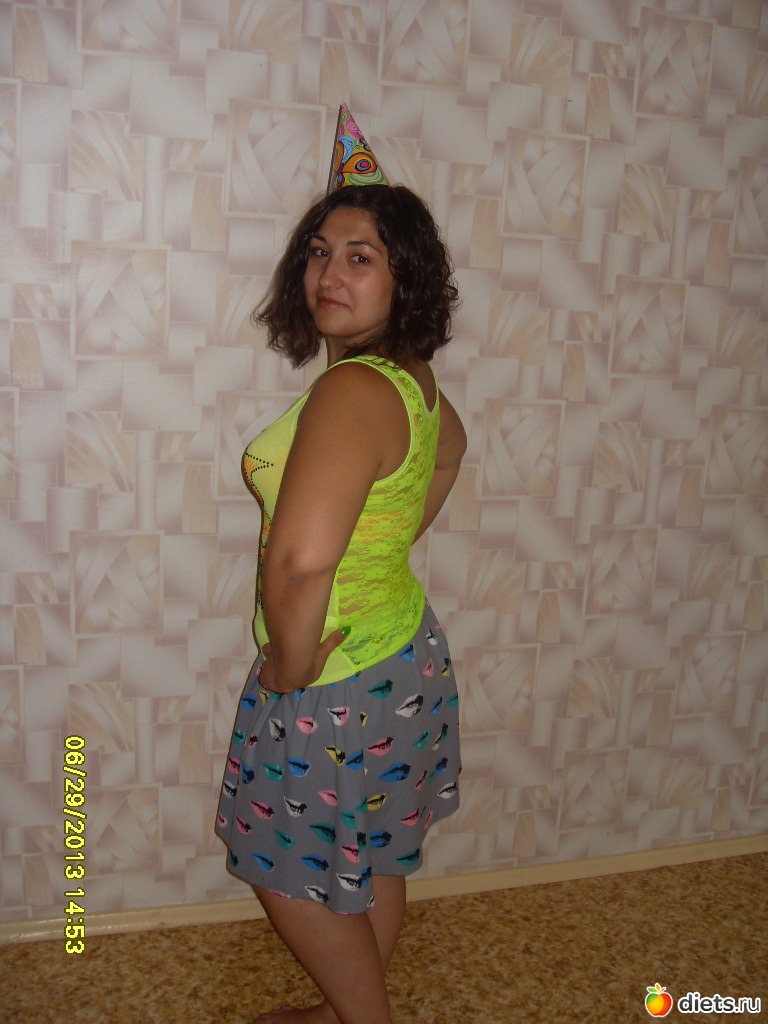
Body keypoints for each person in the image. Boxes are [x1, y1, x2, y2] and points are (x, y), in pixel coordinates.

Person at [215, 180, 466, 1024]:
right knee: (374, 850)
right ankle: (345, 1012)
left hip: (331, 679)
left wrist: (289, 666)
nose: (329, 273)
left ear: (406, 278)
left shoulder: (352, 392)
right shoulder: (408, 379)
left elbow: (298, 566)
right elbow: (449, 452)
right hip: (400, 657)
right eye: (320, 251)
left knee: (282, 868)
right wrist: (386, 550)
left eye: (361, 257)